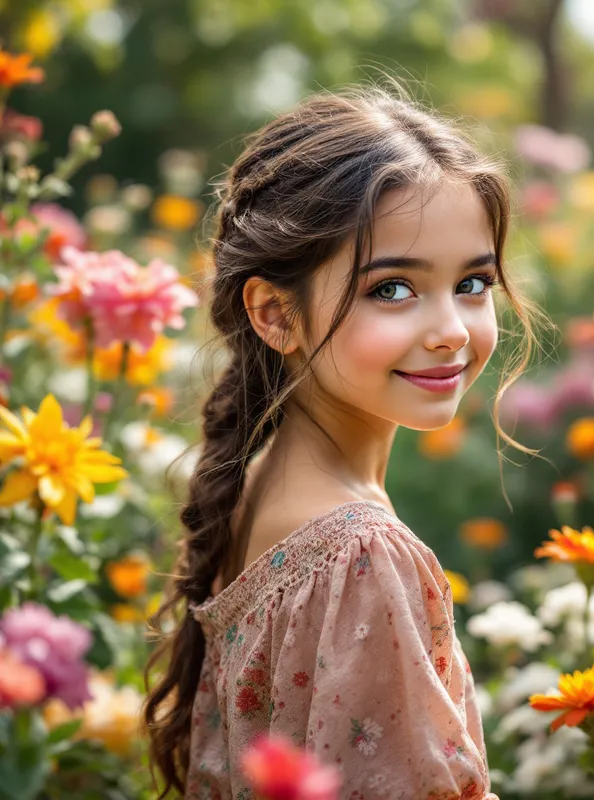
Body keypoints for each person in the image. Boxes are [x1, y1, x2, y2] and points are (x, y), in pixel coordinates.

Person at [144, 81, 545, 800]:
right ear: (274, 314)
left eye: (474, 282)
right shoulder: (361, 553)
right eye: (392, 288)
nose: (451, 328)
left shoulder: (262, 483)